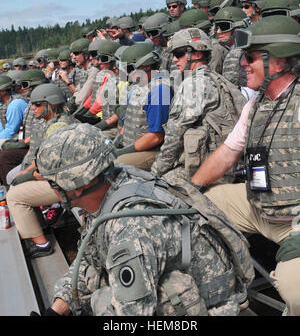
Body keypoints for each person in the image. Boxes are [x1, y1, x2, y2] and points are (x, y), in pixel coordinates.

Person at [31, 122, 254, 316]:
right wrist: (58, 307)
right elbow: (89, 258)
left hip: (211, 307)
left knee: (101, 299)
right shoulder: (115, 184)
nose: (53, 189)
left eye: (54, 182)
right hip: (192, 289)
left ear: (79, 184)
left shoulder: (131, 228)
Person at [191, 15, 300, 316]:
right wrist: (191, 190)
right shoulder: (257, 106)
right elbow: (228, 153)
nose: (242, 64)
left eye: (251, 57)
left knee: (296, 288)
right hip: (261, 203)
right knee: (198, 208)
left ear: (278, 62)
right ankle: (226, 291)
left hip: (295, 219)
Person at [151, 28, 245, 180]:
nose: (174, 60)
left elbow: (175, 135)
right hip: (225, 166)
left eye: (179, 54)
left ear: (197, 53)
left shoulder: (194, 84)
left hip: (206, 170)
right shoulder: (220, 80)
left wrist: (156, 172)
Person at [6, 84, 75, 259]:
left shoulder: (59, 128)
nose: (32, 108)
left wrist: (31, 175)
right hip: (64, 179)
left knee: (14, 196)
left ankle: (42, 244)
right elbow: (40, 159)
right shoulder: (56, 121)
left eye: (37, 104)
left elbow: (50, 169)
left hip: (70, 184)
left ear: (50, 104)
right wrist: (28, 173)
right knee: (18, 181)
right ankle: (40, 226)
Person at [114, 43, 172, 171]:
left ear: (146, 65)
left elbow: (156, 136)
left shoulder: (159, 90)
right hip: (133, 147)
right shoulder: (136, 86)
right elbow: (128, 119)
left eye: (129, 69)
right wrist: (119, 138)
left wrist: (122, 152)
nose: (126, 74)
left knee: (113, 166)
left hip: (152, 151)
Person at [0, 69, 47, 185]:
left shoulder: (17, 104)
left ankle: (11, 192)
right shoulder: (33, 103)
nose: (22, 89)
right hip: (27, 142)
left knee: (5, 157)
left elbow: (11, 131)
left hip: (34, 147)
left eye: (25, 85)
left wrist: (20, 144)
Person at [0, 74, 28, 147]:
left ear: (3, 91)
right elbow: (2, 125)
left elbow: (10, 131)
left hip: (20, 141)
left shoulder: (15, 105)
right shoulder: (4, 102)